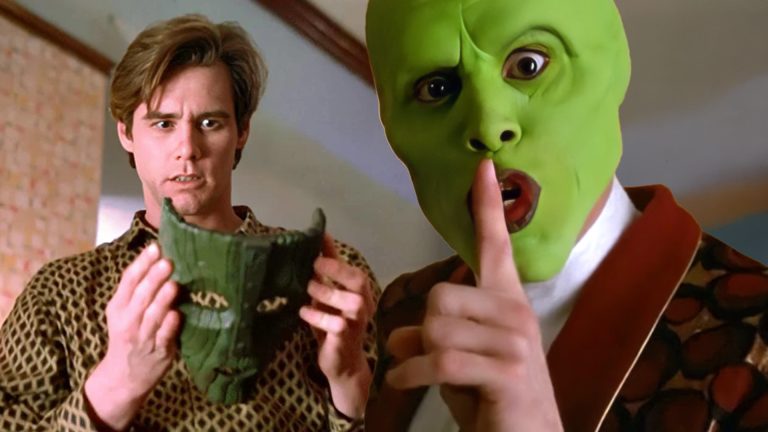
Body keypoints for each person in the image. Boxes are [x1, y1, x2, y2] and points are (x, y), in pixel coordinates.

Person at [363, 0, 768, 431]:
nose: (488, 126)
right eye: (437, 89)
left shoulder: (757, 336)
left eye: (529, 65)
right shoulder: (401, 309)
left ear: (612, 64)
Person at [0, 14, 378, 431]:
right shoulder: (59, 294)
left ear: (241, 131)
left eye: (210, 123)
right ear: (127, 133)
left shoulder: (331, 280)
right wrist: (117, 383)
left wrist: (349, 379)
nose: (188, 148)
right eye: (163, 123)